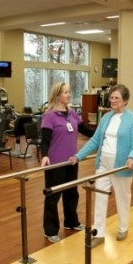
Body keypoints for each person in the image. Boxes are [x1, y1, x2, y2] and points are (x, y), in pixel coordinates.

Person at [70, 84, 133, 247]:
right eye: (111, 97)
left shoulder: (132, 120)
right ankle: (99, 233)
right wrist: (78, 156)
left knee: (122, 198)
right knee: (100, 198)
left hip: (121, 166)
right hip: (103, 164)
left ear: (125, 101)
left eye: (116, 98)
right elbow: (95, 140)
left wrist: (132, 157)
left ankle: (123, 228)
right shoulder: (106, 118)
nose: (113, 100)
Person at [40, 82, 94, 243]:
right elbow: (45, 140)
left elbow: (86, 131)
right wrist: (44, 155)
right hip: (56, 163)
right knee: (53, 196)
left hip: (72, 160)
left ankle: (71, 222)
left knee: (72, 193)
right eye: (65, 92)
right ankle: (50, 230)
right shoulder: (49, 115)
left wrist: (104, 133)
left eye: (69, 92)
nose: (69, 95)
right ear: (57, 95)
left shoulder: (72, 114)